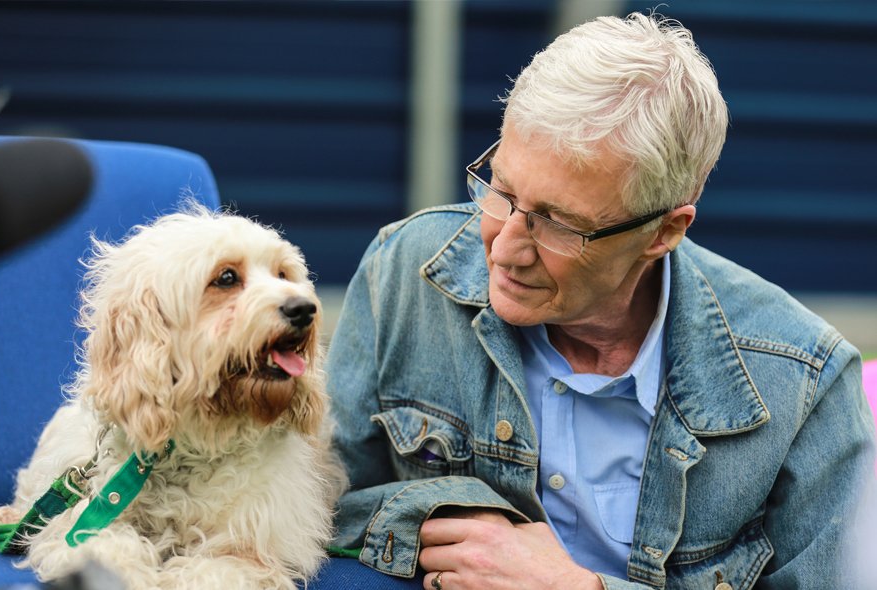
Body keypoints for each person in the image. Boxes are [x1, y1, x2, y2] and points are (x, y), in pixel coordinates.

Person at [325, 12, 876, 590]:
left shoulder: (803, 385)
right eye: (501, 191)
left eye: (559, 225)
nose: (503, 249)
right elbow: (321, 511)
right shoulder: (407, 267)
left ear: (665, 231)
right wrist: (450, 513)